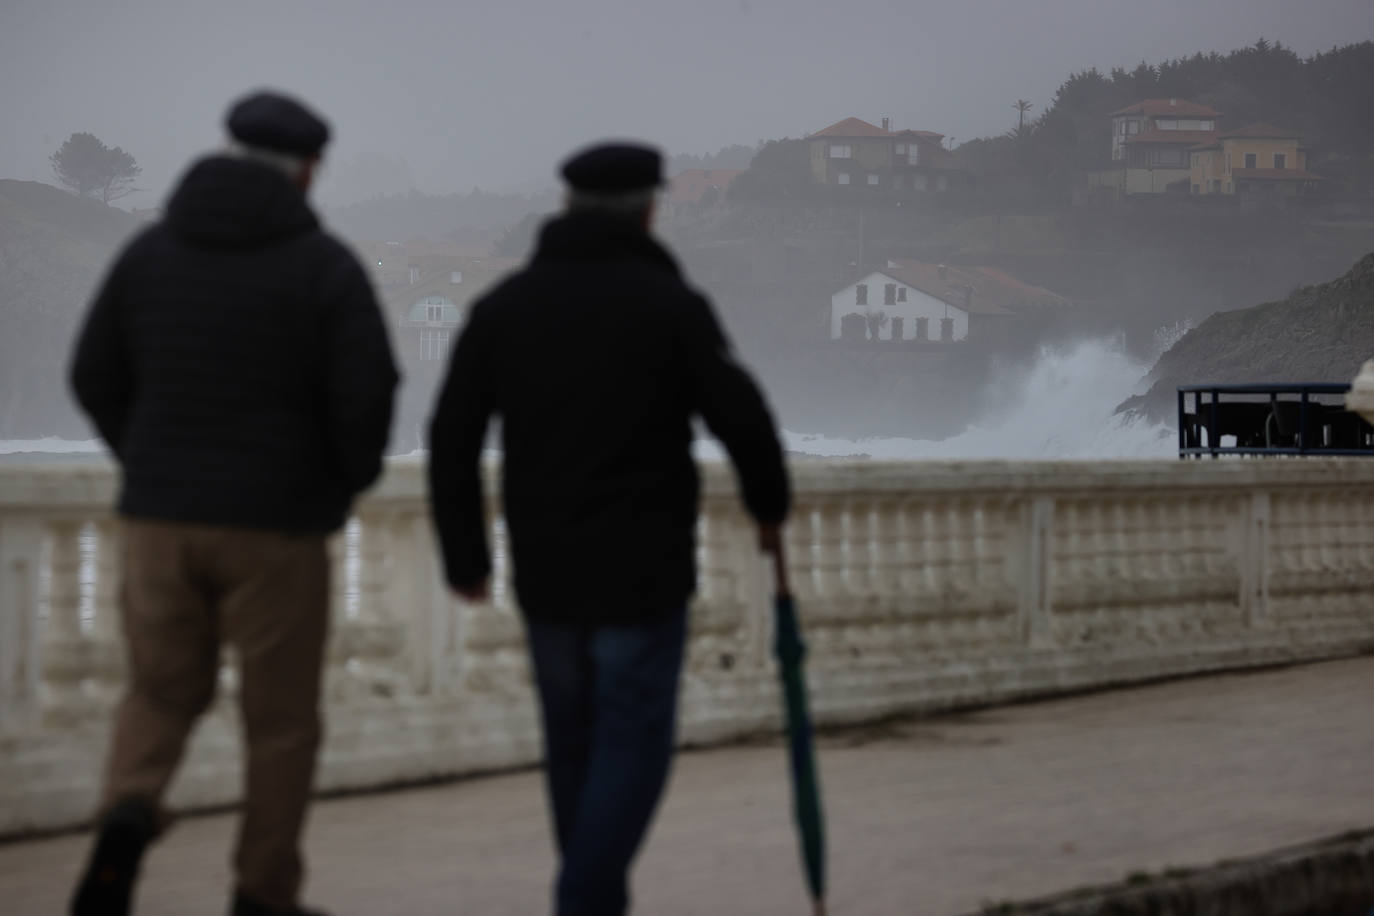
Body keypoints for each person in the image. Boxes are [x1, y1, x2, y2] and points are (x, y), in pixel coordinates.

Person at [428, 142, 790, 915]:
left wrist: (466, 555)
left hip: (547, 570)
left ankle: (591, 899)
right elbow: (742, 415)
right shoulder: (670, 305)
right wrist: (768, 504)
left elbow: (451, 434)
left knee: (574, 745)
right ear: (651, 208)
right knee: (632, 746)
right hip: (644, 570)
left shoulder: (505, 308)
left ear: (565, 206)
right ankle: (586, 902)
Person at [68, 91, 398, 916]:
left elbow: (91, 373)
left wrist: (147, 464)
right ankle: (262, 894)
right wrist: (334, 485)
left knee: (158, 692)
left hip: (159, 521)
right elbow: (368, 398)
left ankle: (127, 814)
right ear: (308, 171)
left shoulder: (149, 254)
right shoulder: (325, 267)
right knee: (280, 723)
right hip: (277, 529)